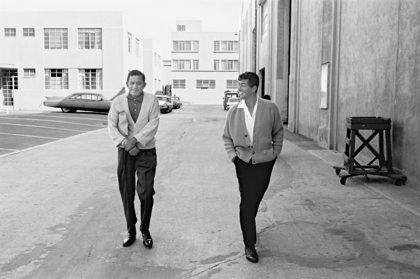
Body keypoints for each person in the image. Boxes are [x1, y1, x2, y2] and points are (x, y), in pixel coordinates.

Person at [222, 72, 283, 263]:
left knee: (255, 199)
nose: (238, 89)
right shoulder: (234, 111)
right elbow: (226, 137)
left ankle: (249, 224)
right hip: (243, 162)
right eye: (238, 85)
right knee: (247, 202)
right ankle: (249, 244)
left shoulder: (270, 108)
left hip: (265, 161)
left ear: (254, 88)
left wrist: (274, 153)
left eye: (242, 85)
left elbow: (278, 131)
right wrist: (233, 156)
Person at [108, 70, 160, 248]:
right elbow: (112, 126)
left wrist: (135, 141)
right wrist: (126, 143)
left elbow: (153, 124)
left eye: (138, 83)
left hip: (146, 151)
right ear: (127, 84)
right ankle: (131, 230)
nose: (135, 86)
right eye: (131, 83)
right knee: (127, 193)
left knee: (146, 193)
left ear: (144, 84)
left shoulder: (152, 100)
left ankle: (145, 229)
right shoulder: (118, 102)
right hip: (125, 153)